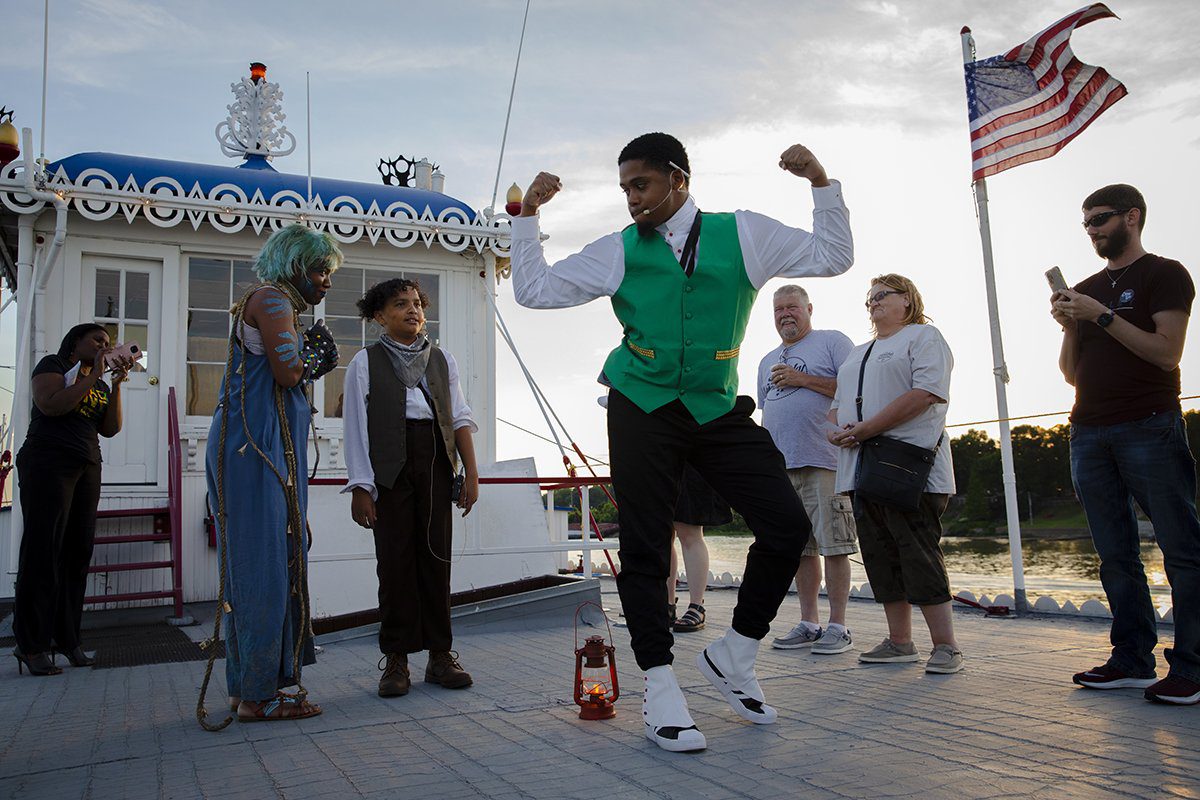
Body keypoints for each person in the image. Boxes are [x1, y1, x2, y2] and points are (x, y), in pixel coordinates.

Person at [512, 132, 853, 752]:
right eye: (624, 189)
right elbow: (535, 291)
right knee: (646, 543)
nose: (631, 200)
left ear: (678, 179)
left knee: (784, 523)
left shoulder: (744, 233)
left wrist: (820, 182)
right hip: (641, 402)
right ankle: (661, 685)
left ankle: (736, 654)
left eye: (640, 185)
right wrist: (527, 220)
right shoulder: (619, 250)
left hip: (716, 406)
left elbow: (834, 255)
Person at [1050, 184, 1198, 705]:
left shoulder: (1165, 274)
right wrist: (1072, 326)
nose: (1092, 230)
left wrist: (1102, 316)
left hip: (1149, 425)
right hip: (1088, 429)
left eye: (1101, 220)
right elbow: (1072, 374)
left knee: (1181, 549)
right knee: (1115, 555)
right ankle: (1132, 659)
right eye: (1086, 223)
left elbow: (1166, 353)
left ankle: (1192, 668)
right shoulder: (1088, 289)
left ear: (1132, 217)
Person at [204, 224, 342, 723]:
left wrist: (307, 359)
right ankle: (259, 696)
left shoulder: (276, 305)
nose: (326, 281)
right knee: (262, 565)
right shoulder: (272, 301)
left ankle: (250, 688)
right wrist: (315, 359)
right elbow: (288, 373)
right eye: (320, 269)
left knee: (273, 558)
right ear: (294, 264)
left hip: (262, 448)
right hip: (252, 449)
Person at [342, 278, 480, 698]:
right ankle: (397, 659)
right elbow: (355, 429)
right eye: (400, 304)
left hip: (436, 462)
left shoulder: (442, 360)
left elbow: (459, 417)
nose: (413, 310)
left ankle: (440, 655)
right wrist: (362, 486)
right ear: (379, 316)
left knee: (436, 559)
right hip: (389, 470)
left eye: (417, 303)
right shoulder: (363, 363)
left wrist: (471, 473)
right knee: (395, 562)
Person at [828, 274, 962, 675]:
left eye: (881, 296)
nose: (873, 303)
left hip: (909, 467)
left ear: (907, 299)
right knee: (880, 555)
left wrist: (868, 428)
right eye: (869, 299)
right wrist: (836, 430)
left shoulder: (923, 338)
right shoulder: (858, 352)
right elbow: (836, 405)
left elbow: (925, 394)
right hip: (860, 470)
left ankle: (947, 646)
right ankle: (900, 641)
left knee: (917, 551)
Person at [11, 324, 134, 676]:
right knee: (43, 549)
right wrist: (93, 372)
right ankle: (31, 645)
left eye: (108, 344)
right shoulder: (52, 365)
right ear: (75, 341)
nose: (103, 346)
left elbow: (110, 428)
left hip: (86, 465)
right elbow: (50, 405)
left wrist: (114, 384)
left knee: (78, 552)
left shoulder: (96, 382)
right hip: (49, 461)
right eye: (97, 340)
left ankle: (68, 641)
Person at [758, 285, 858, 655]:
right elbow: (767, 410)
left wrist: (803, 379)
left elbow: (853, 389)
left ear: (809, 309)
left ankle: (839, 626)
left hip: (825, 461)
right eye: (778, 309)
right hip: (783, 468)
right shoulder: (766, 359)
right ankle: (809, 622)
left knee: (834, 545)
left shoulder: (832, 342)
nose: (785, 314)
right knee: (800, 550)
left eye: (792, 307)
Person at [667, 466, 731, 633]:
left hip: (691, 456)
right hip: (658, 457)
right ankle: (667, 604)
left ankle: (696, 606)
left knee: (689, 531)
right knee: (661, 535)